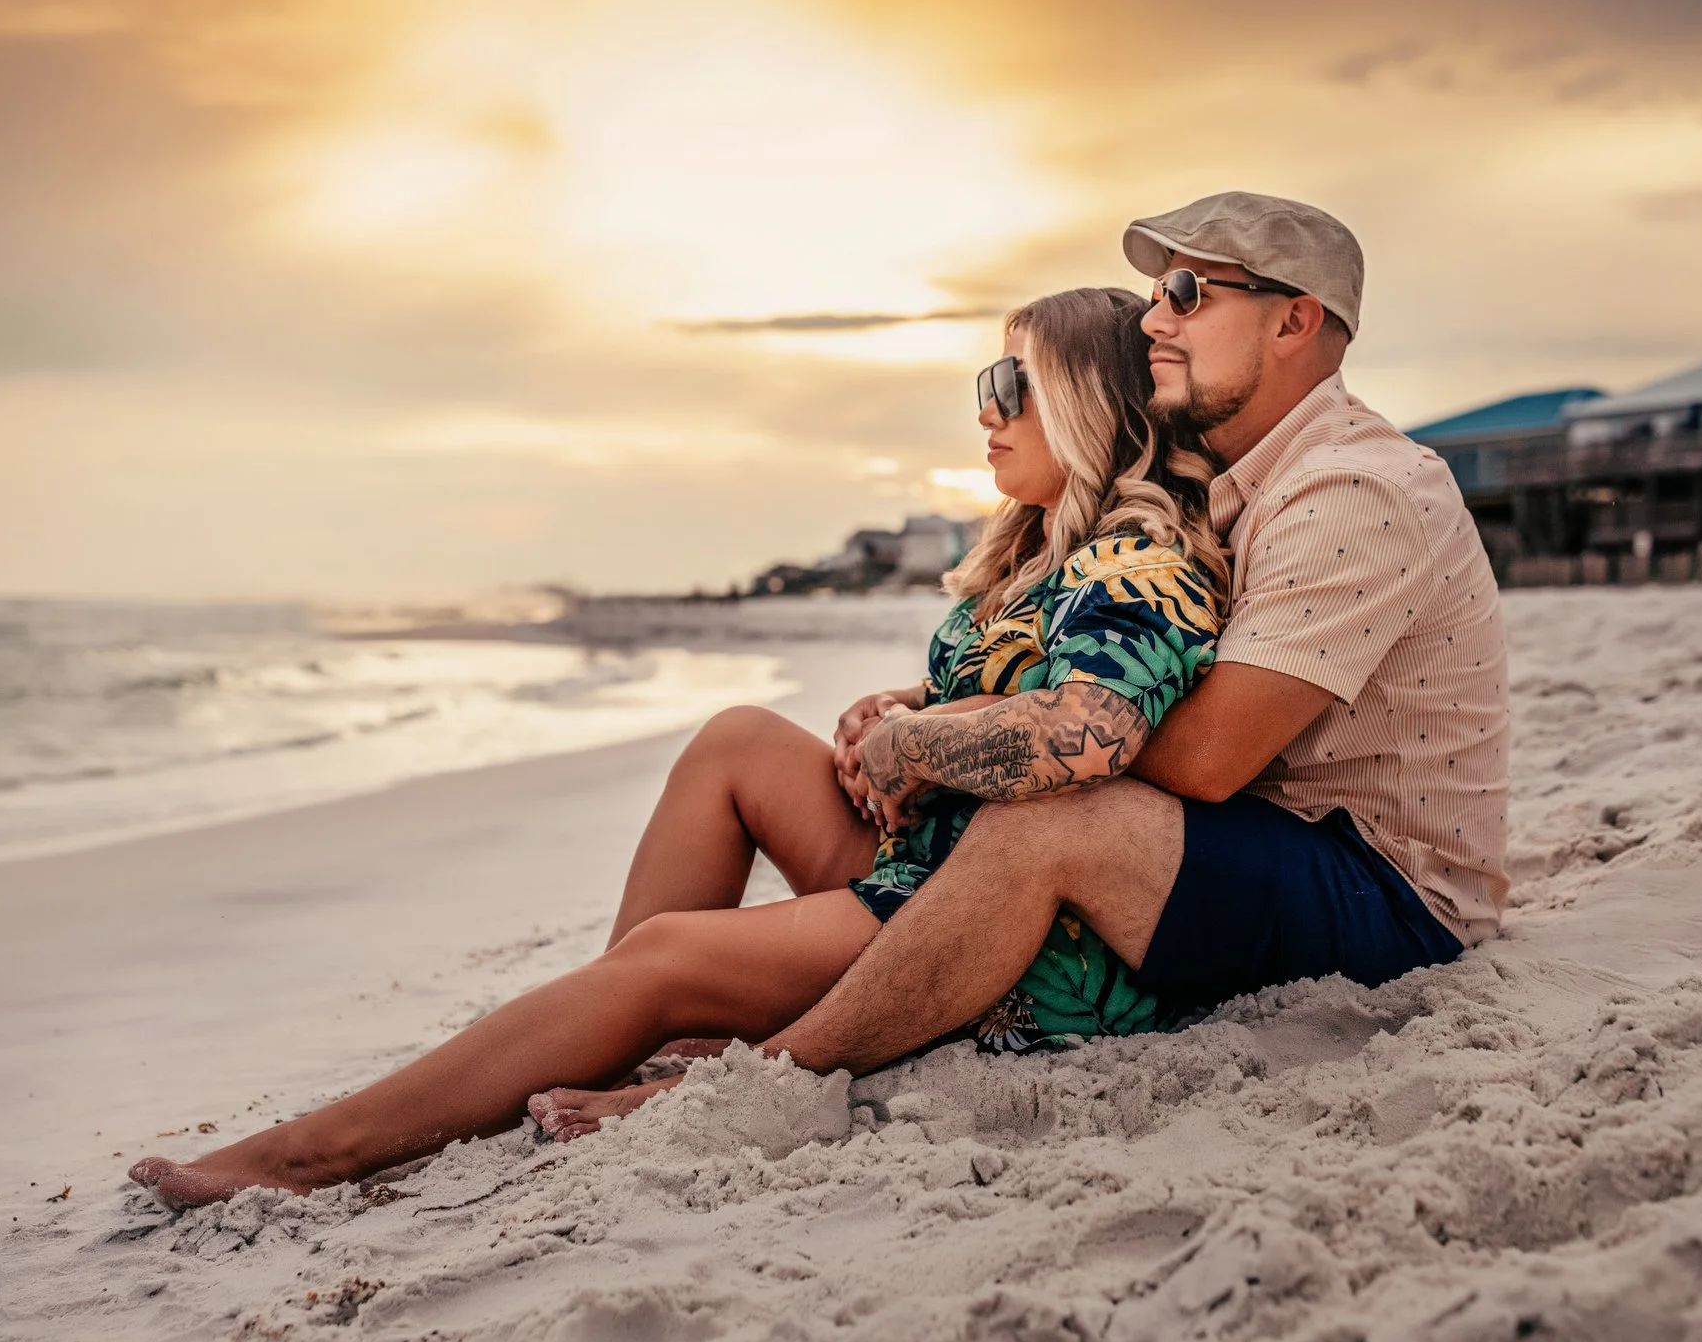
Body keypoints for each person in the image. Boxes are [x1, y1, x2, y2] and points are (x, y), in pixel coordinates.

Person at [130, 284, 1228, 1208]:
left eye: (1011, 388)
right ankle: (614, 1026)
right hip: (926, 863)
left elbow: (1090, 732)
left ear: (1088, 406)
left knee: (670, 957)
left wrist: (912, 744)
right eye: (984, 388)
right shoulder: (1045, 553)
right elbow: (1002, 689)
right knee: (737, 738)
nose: (985, 413)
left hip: (1004, 936)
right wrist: (896, 711)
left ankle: (309, 1153)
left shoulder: (1139, 563)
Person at [580, 190, 1511, 1103]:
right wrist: (924, 701)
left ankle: (775, 1074)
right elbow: (1137, 662)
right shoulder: (1229, 476)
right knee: (758, 744)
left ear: (1293, 321)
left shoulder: (1356, 489)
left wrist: (948, 732)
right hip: (1246, 843)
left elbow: (1205, 755)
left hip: (1380, 889)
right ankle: (627, 1018)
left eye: (1188, 292)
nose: (1155, 320)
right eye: (1153, 296)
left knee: (1055, 810)